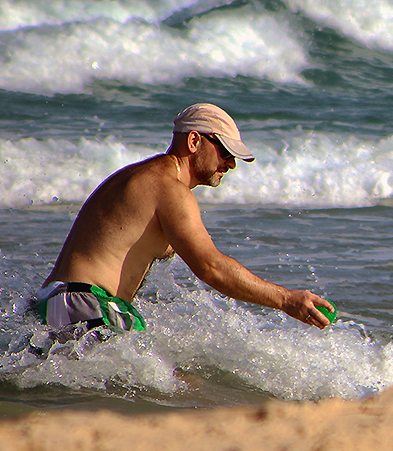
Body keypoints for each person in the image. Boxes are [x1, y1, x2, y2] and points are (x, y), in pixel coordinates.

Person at [36, 103, 333, 339]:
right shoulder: (169, 189)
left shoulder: (139, 176)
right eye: (226, 152)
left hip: (57, 302)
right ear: (194, 141)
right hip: (86, 305)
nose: (230, 164)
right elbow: (211, 267)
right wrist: (286, 300)